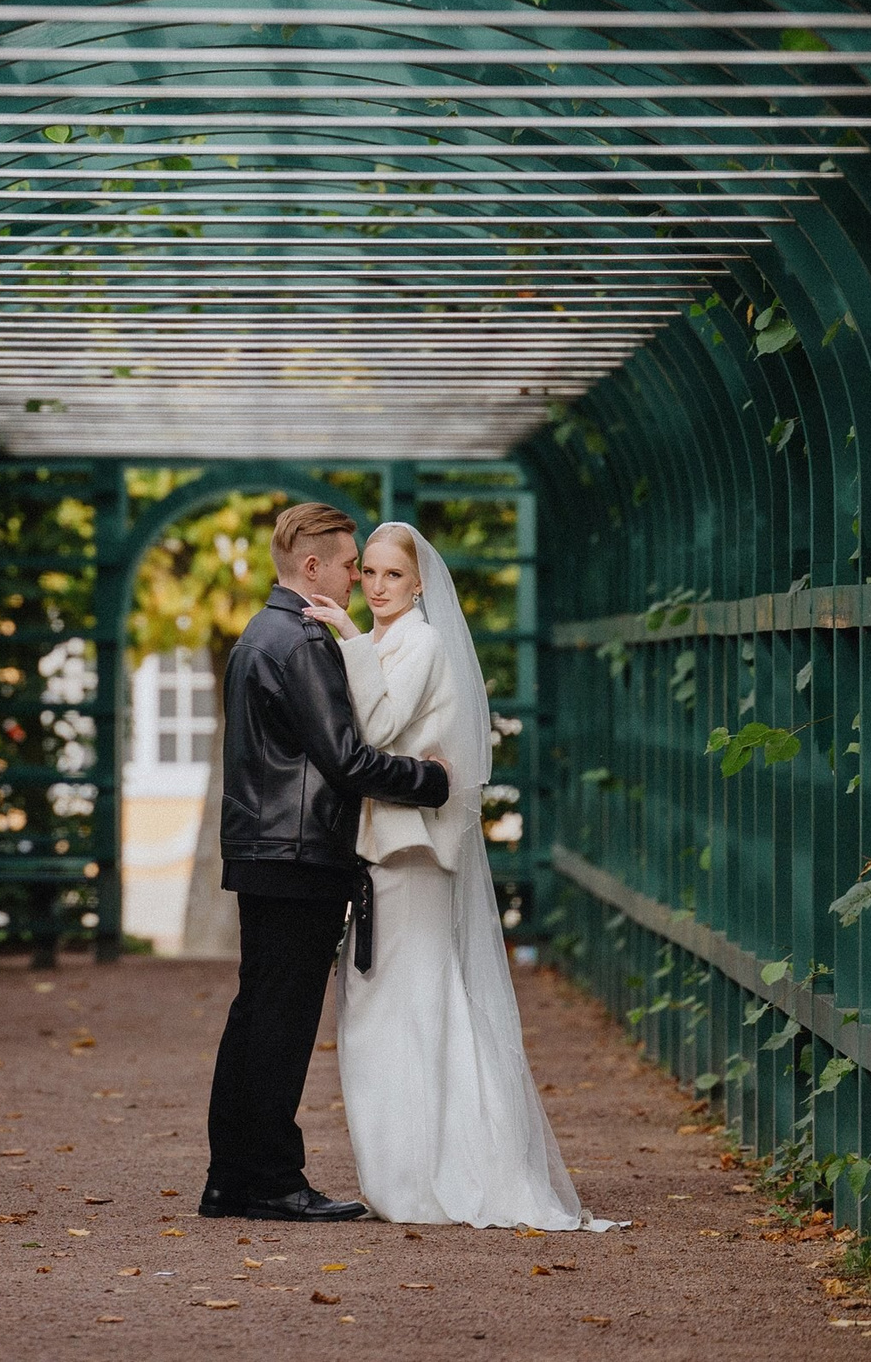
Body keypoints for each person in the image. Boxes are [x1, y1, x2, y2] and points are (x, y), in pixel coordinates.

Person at [301, 522, 607, 1231]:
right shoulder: (383, 642)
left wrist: (344, 630)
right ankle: (407, 1169)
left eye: (391, 575)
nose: (376, 586)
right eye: (367, 572)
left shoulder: (422, 641)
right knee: (386, 1006)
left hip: (412, 852)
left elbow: (375, 726)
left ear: (418, 584)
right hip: (382, 848)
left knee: (413, 1004)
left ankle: (436, 1172)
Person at [199, 502, 451, 1222]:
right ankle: (272, 1179)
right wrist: (429, 780)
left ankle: (232, 1177)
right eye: (349, 565)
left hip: (263, 846)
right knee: (279, 1022)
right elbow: (345, 758)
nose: (357, 581)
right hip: (299, 852)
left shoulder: (259, 633)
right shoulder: (303, 639)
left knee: (255, 1015)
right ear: (312, 567)